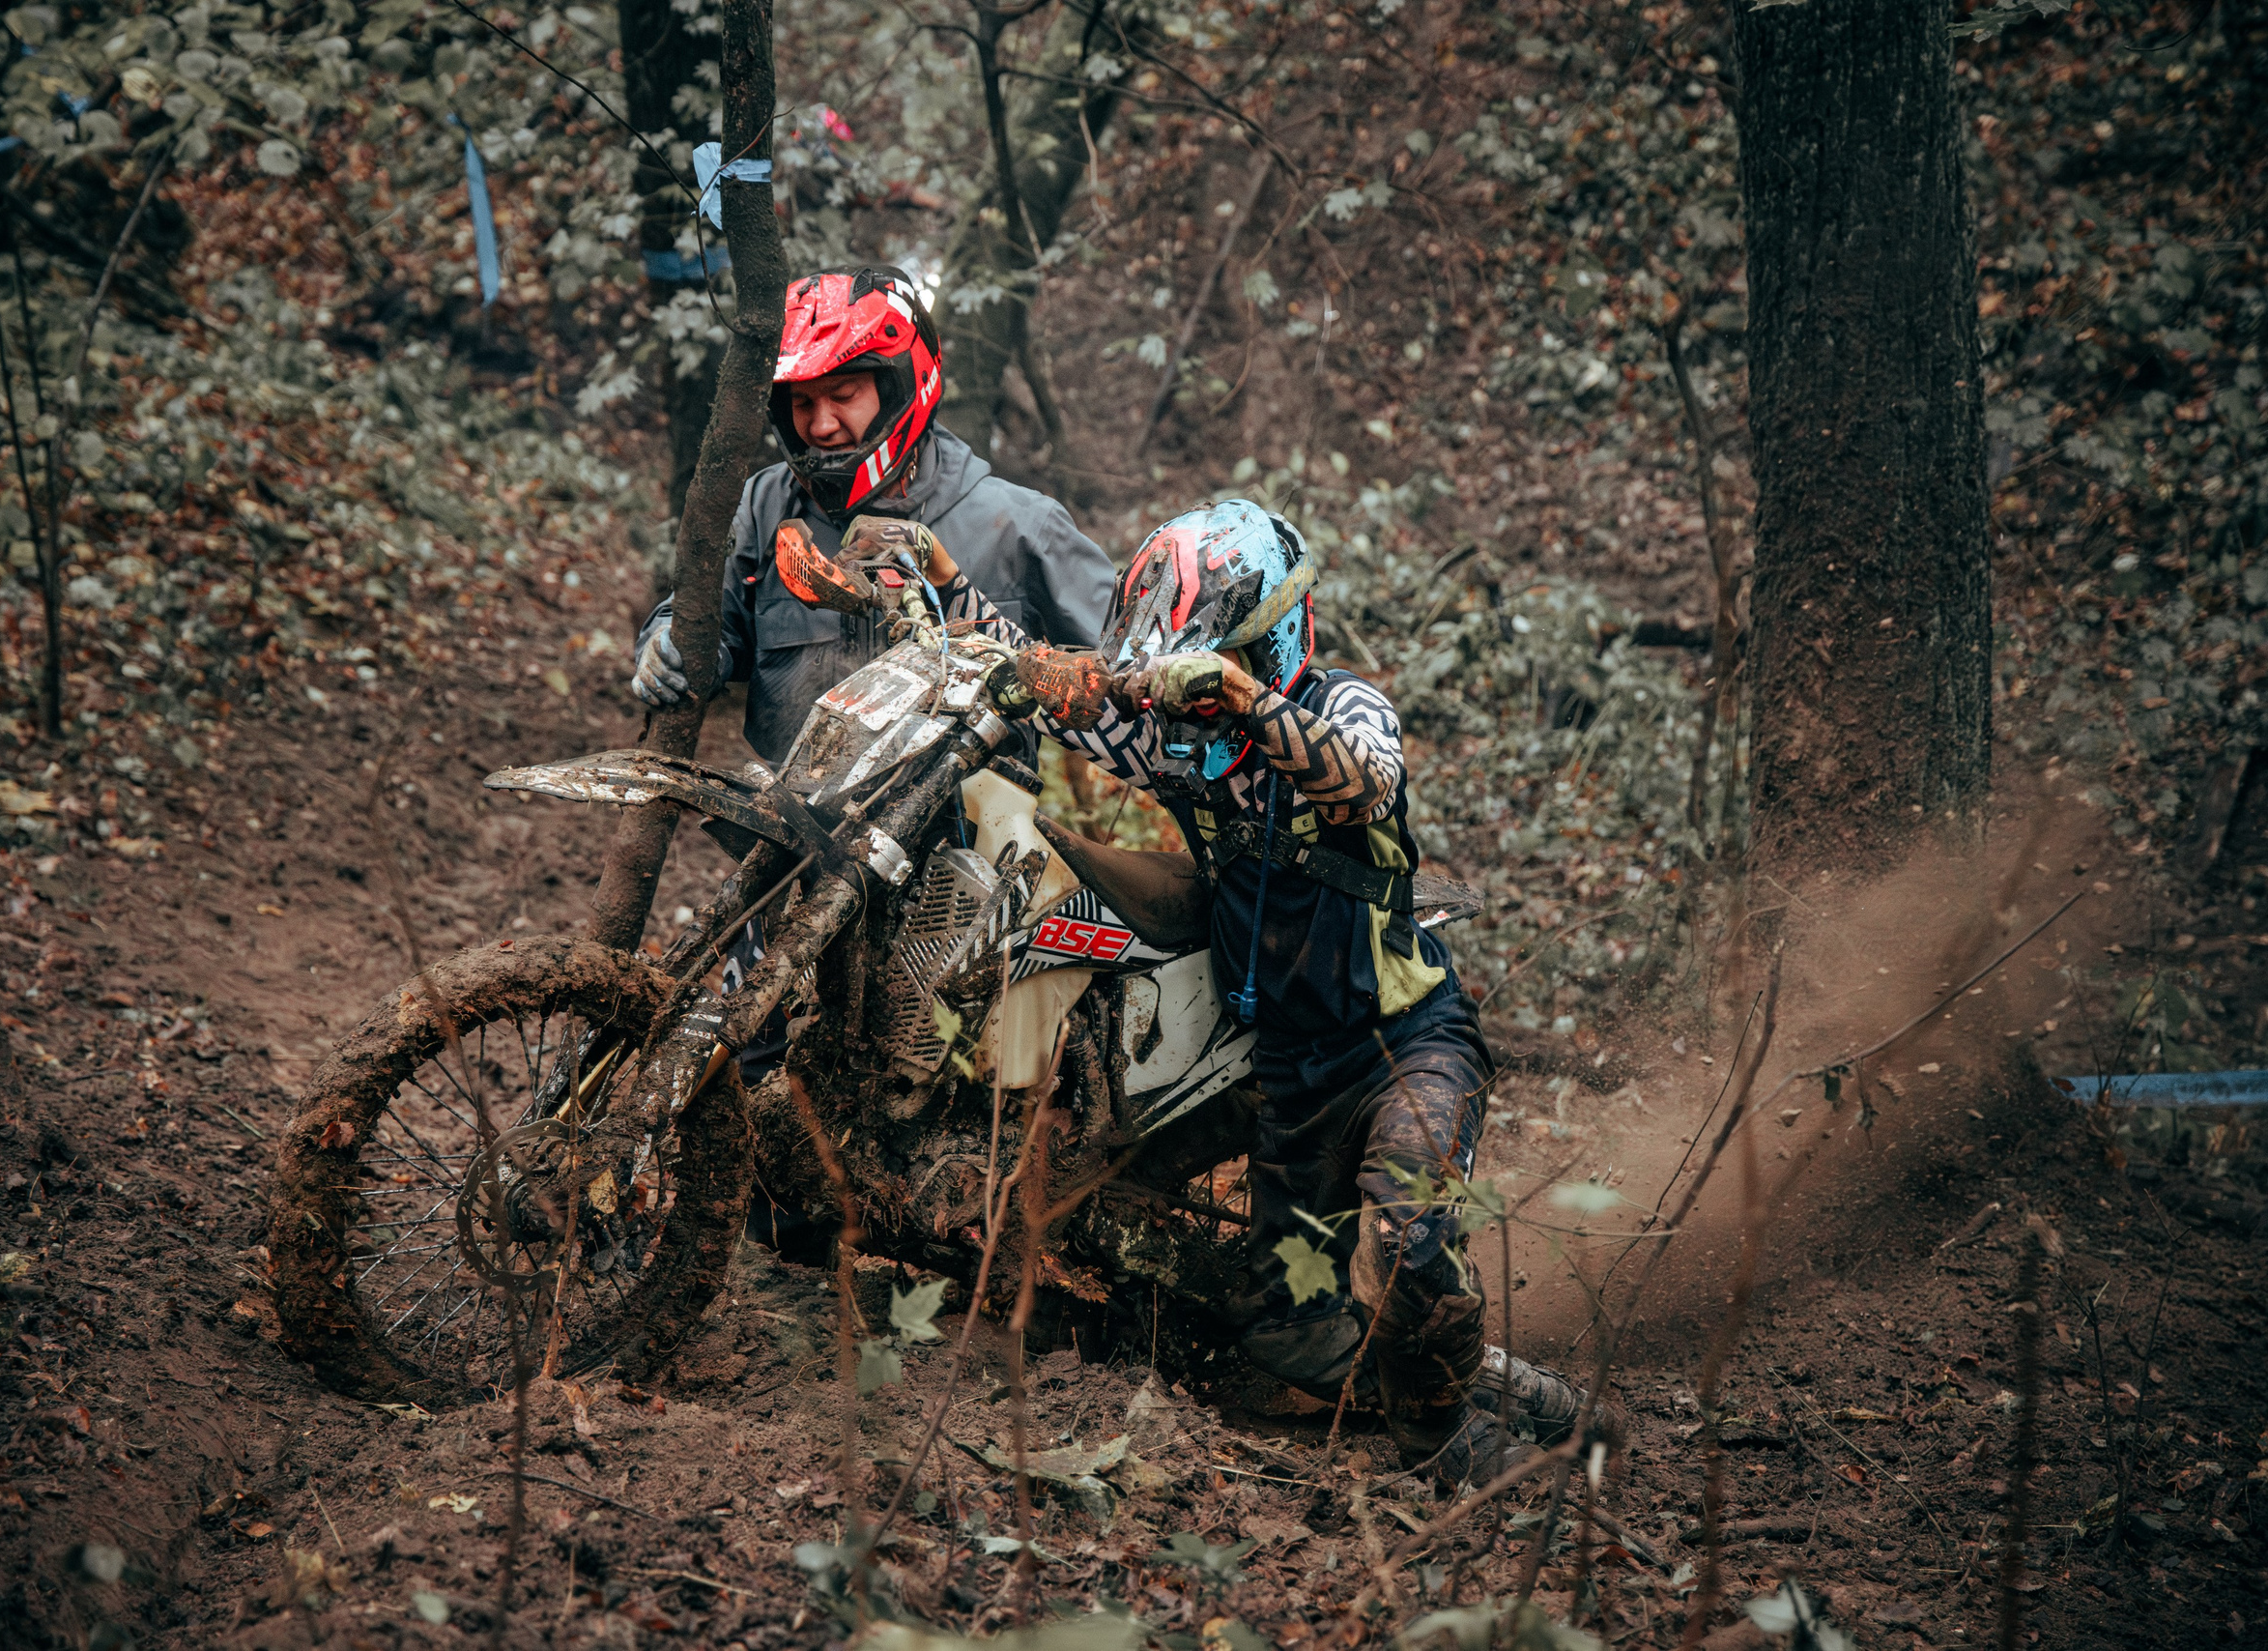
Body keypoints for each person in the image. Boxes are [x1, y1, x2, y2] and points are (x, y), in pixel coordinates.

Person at [840, 498, 1610, 1485]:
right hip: (1293, 1069)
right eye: (1181, 679)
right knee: (1289, 1330)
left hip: (1405, 1045)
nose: (1183, 708)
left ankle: (1454, 1441)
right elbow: (1051, 684)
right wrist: (945, 579)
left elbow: (1366, 783)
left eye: (1205, 674)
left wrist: (1242, 700)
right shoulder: (1179, 747)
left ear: (1270, 642)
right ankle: (1489, 1381)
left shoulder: (1346, 707)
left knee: (1408, 1238)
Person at [631, 264, 1115, 765]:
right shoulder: (764, 507)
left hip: (972, 809)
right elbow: (701, 619)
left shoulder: (1019, 525)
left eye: (844, 395)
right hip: (788, 809)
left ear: (903, 385)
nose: (821, 425)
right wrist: (667, 646)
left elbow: (1128, 678)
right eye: (802, 402)